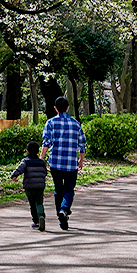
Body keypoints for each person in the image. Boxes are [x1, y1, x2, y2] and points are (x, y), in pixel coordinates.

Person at [40, 96, 86, 230]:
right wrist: (81, 160)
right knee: (69, 189)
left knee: (58, 190)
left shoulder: (50, 123)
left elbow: (46, 142)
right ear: (68, 108)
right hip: (71, 164)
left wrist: (41, 158)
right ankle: (64, 210)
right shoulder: (76, 124)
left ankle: (61, 217)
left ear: (55, 108)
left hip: (55, 163)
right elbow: (82, 144)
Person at [11, 140, 48, 231]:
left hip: (29, 186)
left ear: (27, 151)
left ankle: (36, 221)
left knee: (32, 204)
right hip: (40, 186)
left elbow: (19, 169)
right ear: (38, 152)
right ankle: (41, 216)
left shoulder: (26, 161)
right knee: (39, 203)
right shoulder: (41, 162)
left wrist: (14, 176)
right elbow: (45, 173)